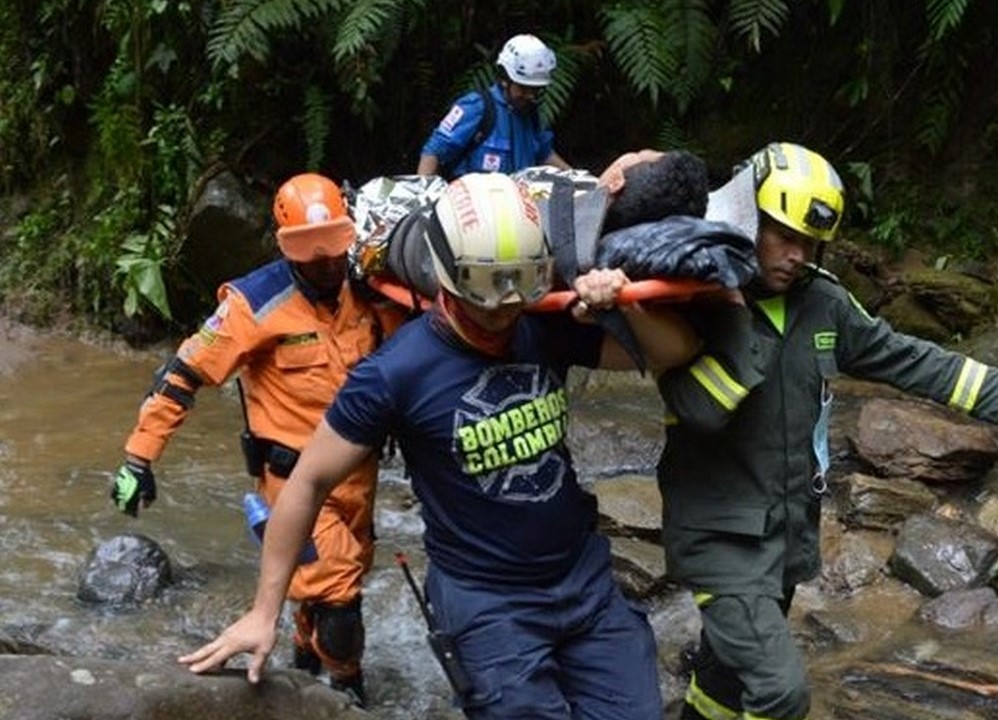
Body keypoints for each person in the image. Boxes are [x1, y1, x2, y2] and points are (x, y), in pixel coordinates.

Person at [179, 172, 698, 719]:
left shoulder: (541, 324)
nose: (505, 306)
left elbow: (678, 351)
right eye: (487, 287)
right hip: (488, 603)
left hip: (585, 583)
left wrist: (625, 305)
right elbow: (307, 483)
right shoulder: (395, 373)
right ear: (448, 276)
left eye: (521, 282)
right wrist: (266, 612)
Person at [655, 142, 998, 720]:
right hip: (720, 539)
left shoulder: (824, 305)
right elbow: (695, 406)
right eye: (783, 236)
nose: (796, 255)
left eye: (809, 244)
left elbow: (908, 358)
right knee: (782, 694)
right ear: (748, 219)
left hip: (786, 535)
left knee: (723, 683)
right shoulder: (695, 300)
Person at [111, 172, 405, 706]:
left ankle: (302, 666)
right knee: (341, 594)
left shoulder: (372, 291)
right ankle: (349, 693)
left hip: (359, 477)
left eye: (333, 252)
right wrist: (139, 457)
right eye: (310, 256)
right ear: (285, 248)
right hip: (292, 479)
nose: (325, 264)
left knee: (329, 581)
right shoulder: (254, 304)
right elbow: (182, 375)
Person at [416, 34, 571, 179]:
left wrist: (577, 178)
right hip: (474, 203)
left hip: (519, 202)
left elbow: (544, 154)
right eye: (524, 88)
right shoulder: (476, 107)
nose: (530, 96)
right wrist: (423, 197)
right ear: (505, 79)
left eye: (535, 90)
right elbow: (434, 152)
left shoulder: (530, 113)